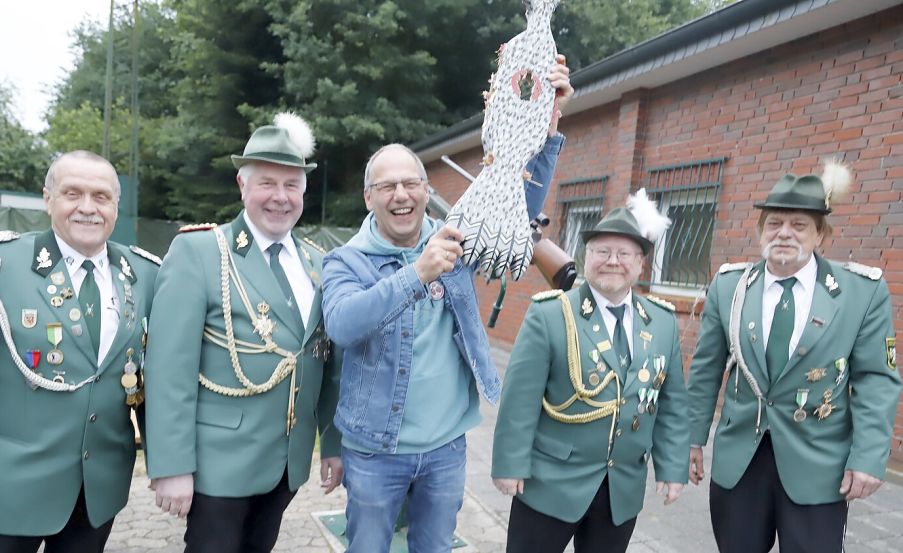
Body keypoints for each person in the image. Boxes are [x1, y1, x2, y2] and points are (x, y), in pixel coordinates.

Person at [320, 57, 573, 553]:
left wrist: (546, 125)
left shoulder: (457, 238)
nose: (401, 195)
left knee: (435, 548)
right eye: (387, 186)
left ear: (426, 189)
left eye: (411, 183)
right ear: (368, 197)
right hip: (374, 451)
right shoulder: (344, 260)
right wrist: (417, 274)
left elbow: (516, 206)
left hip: (446, 449)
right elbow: (343, 326)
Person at [0, 151, 159, 553]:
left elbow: (154, 382)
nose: (87, 207)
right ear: (48, 199)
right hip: (2, 494)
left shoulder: (145, 275)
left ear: (116, 206)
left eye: (101, 196)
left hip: (95, 494)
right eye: (72, 193)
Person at [143, 113, 342, 553]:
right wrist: (171, 466)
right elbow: (168, 369)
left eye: (292, 186)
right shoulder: (199, 252)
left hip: (286, 461)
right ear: (242, 185)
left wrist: (332, 442)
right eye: (267, 183)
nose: (280, 197)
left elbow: (328, 363)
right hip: (218, 464)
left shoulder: (319, 262)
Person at [687, 160, 901, 553]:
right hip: (740, 462)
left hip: (819, 465)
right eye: (774, 223)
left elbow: (876, 379)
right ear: (760, 231)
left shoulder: (860, 292)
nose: (785, 233)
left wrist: (869, 457)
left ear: (820, 233)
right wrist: (691, 439)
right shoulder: (730, 287)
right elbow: (705, 370)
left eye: (799, 225)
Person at [491, 190, 689, 552]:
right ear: (586, 257)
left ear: (641, 263)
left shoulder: (661, 322)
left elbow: (672, 403)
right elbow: (520, 399)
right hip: (550, 482)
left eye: (624, 253)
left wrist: (673, 467)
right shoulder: (551, 314)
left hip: (621, 489)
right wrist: (509, 463)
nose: (612, 261)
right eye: (602, 251)